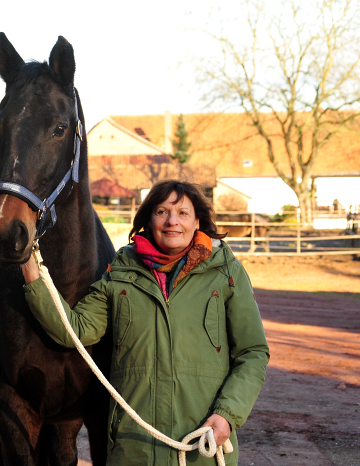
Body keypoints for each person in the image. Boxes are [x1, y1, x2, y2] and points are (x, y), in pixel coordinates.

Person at [21, 179, 269, 465]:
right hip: (134, 447)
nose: (172, 222)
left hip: (201, 444)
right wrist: (31, 270)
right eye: (162, 212)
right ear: (149, 219)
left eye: (183, 213)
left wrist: (227, 414)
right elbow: (75, 330)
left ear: (197, 221)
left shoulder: (226, 271)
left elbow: (252, 353)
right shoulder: (122, 272)